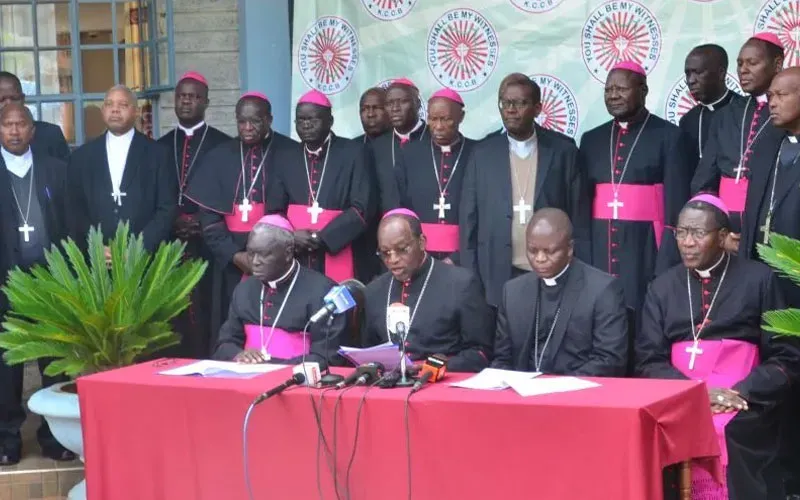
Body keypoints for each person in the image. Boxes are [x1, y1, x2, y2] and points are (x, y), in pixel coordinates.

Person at [636, 194, 799, 500]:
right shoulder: (661, 287)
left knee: (736, 430)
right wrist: (695, 395)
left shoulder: (759, 280)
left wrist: (744, 391)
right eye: (681, 232)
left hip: (742, 396)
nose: (687, 242)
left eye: (698, 233)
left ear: (723, 237)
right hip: (679, 394)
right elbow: (647, 360)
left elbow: (786, 355)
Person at [460, 72, 590, 308]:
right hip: (496, 273)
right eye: (505, 102)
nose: (510, 109)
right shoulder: (482, 153)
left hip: (552, 270)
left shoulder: (563, 151)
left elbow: (578, 216)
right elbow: (469, 218)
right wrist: (472, 275)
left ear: (537, 108)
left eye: (519, 103)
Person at [579, 61, 692, 315]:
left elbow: (677, 204)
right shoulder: (591, 140)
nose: (613, 95)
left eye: (621, 89)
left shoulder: (670, 137)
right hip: (599, 248)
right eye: (608, 90)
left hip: (646, 249)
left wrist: (667, 259)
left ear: (643, 90)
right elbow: (582, 205)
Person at [185, 92, 295, 350]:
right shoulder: (220, 155)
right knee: (228, 320)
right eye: (241, 121)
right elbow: (209, 219)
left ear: (269, 120)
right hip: (229, 261)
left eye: (255, 121)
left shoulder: (289, 152)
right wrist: (235, 255)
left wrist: (268, 254)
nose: (247, 128)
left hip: (275, 257)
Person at [0, 103, 74, 464]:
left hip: (50, 282)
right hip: (4, 284)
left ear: (33, 130)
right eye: (7, 125)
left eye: (21, 125)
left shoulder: (57, 170)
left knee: (53, 362)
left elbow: (72, 225)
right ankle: (7, 440)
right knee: (5, 365)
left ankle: (53, 436)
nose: (14, 131)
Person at [491, 208, 627, 375]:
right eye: (532, 251)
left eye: (549, 251)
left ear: (569, 249)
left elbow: (609, 360)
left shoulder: (602, 290)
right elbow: (502, 358)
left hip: (579, 394)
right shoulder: (512, 291)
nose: (539, 258)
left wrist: (559, 388)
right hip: (522, 395)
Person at [362, 209, 493, 372]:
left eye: (402, 249)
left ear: (422, 242)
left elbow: (481, 353)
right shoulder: (374, 291)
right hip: (388, 390)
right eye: (385, 253)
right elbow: (368, 352)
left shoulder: (461, 284)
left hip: (442, 385)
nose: (393, 259)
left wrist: (433, 367)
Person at [157, 71, 230, 358]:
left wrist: (203, 221)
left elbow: (227, 191)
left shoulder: (222, 144)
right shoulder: (160, 146)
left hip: (208, 240)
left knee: (208, 307)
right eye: (181, 96)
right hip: (170, 240)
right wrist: (172, 221)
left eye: (193, 96)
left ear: (206, 102)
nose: (186, 101)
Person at [268, 90, 372, 283]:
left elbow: (362, 208)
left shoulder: (354, 153)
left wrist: (324, 237)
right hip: (295, 251)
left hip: (339, 247)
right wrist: (291, 236)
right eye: (300, 120)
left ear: (330, 121)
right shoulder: (285, 157)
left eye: (312, 119)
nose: (306, 125)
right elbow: (274, 209)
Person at [213, 215, 346, 365]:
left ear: (288, 253)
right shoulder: (244, 289)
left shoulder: (322, 291)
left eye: (264, 254)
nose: (255, 262)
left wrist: (271, 366)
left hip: (297, 384)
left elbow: (327, 357)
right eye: (251, 253)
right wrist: (240, 355)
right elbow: (225, 344)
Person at [691, 33, 784, 241]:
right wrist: (714, 225)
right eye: (740, 63)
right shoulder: (727, 113)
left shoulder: (788, 115)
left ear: (777, 65)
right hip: (725, 226)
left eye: (752, 63)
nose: (743, 70)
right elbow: (705, 176)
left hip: (770, 225)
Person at [66, 85, 175, 253]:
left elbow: (166, 208)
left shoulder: (158, 154)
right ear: (103, 111)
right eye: (109, 104)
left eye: (123, 105)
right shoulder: (81, 157)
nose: (115, 110)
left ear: (136, 112)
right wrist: (95, 246)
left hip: (144, 258)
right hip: (96, 261)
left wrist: (139, 247)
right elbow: (74, 208)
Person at [395, 88, 473, 263]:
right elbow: (401, 206)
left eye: (445, 119)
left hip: (465, 256)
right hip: (419, 256)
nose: (438, 126)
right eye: (432, 119)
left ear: (461, 117)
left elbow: (482, 213)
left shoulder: (476, 153)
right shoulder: (409, 154)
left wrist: (458, 256)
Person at [368, 78, 427, 215]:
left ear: (417, 104)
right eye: (389, 103)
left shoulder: (433, 139)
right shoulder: (377, 146)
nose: (395, 108)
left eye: (402, 102)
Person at [679, 44, 742, 170]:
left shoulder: (744, 111)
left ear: (721, 73)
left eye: (698, 72)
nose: (691, 80)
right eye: (688, 73)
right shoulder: (688, 121)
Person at [0, 72, 70, 162]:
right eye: (1, 99)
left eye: (14, 98)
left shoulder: (50, 134)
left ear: (23, 99)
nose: (8, 104)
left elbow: (65, 173)